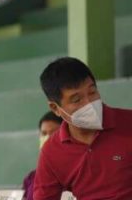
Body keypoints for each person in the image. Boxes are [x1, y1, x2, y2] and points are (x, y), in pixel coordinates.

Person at [33, 56, 132, 200]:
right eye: (76, 100)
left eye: (92, 92)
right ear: (56, 108)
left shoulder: (128, 122)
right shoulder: (51, 153)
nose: (89, 103)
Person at [21, 111, 62, 200]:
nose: (47, 138)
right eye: (44, 133)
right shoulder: (31, 178)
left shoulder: (77, 175)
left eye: (54, 133)